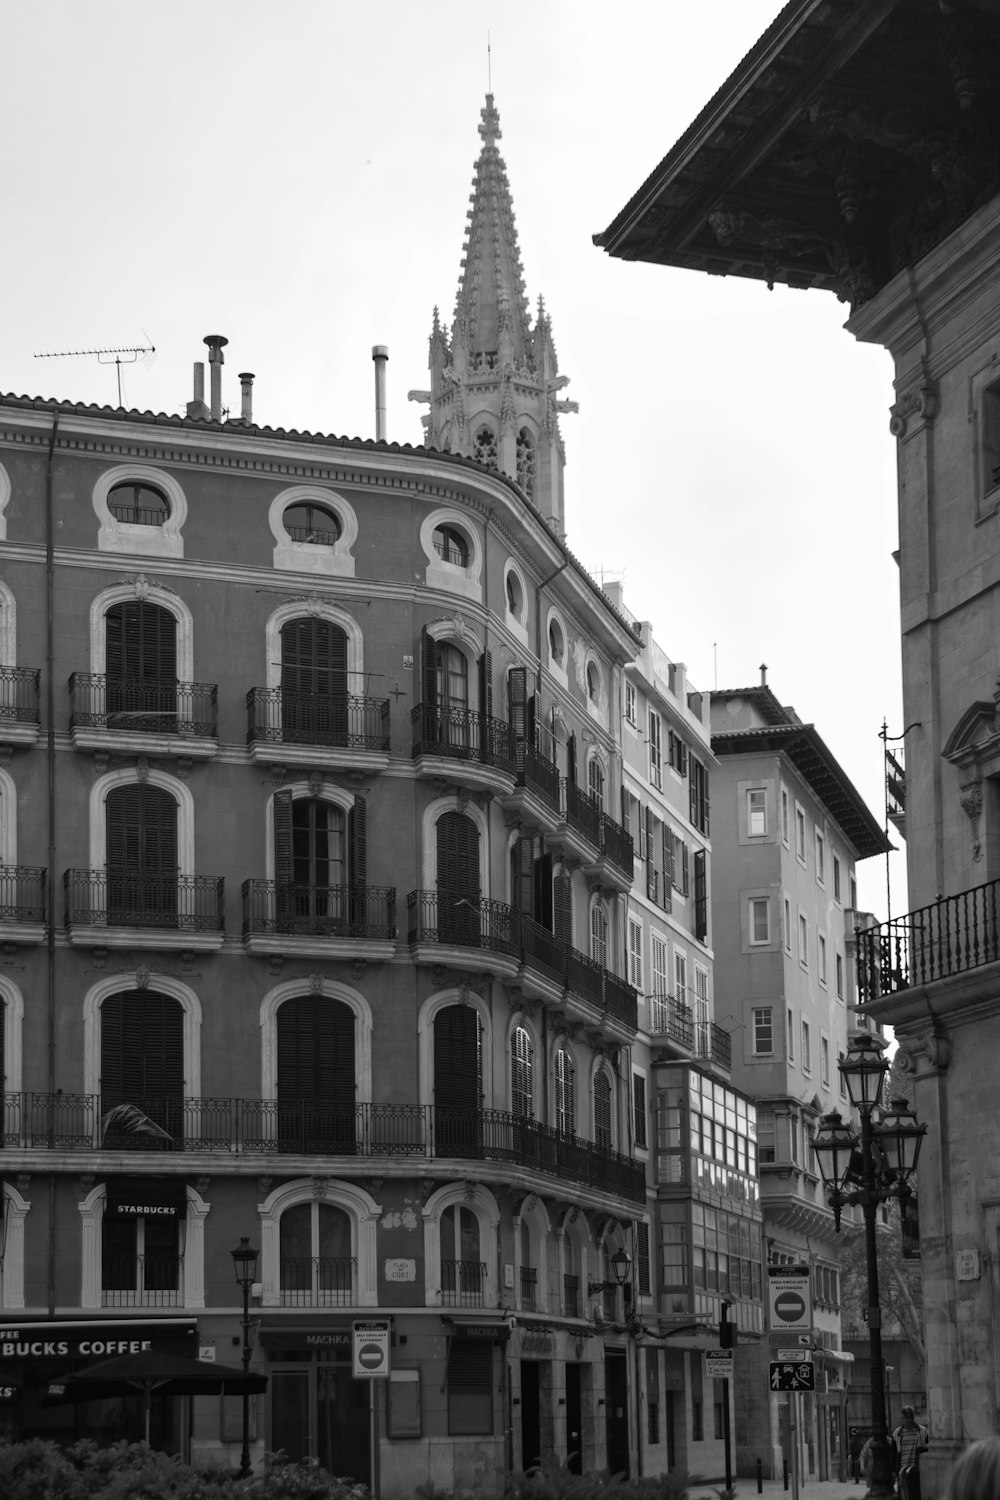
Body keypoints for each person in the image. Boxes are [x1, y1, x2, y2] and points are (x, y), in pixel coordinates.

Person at [892, 1406, 930, 1500]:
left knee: (916, 1494)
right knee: (903, 1494)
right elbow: (893, 1454)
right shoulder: (897, 1433)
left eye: (909, 1418)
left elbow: (928, 1449)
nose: (907, 1421)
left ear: (913, 1418)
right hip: (902, 1471)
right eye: (905, 1418)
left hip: (916, 1470)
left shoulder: (923, 1431)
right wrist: (893, 1471)